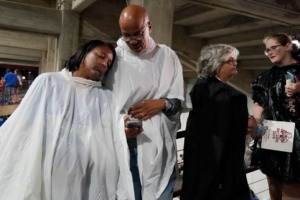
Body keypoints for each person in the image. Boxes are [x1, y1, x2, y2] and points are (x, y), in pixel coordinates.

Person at [0, 40, 119, 200]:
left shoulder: (106, 97)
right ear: (84, 54)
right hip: (47, 168)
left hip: (85, 174)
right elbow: (24, 123)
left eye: (109, 62)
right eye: (101, 56)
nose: (104, 63)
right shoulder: (48, 82)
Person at [103, 5, 185, 200]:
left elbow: (178, 101)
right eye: (127, 35)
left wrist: (162, 103)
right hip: (126, 144)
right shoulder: (114, 57)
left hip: (159, 145)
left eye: (138, 34)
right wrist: (119, 127)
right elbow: (101, 103)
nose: (133, 41)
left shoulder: (167, 56)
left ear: (149, 26)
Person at [181, 44, 251, 200]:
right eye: (230, 60)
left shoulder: (199, 89)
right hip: (223, 174)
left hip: (199, 168)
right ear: (216, 64)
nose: (235, 63)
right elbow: (230, 140)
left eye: (235, 60)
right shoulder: (230, 98)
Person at [251, 33, 300, 200]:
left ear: (287, 46)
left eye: (274, 48)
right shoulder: (263, 78)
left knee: (292, 187)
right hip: (272, 137)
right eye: (267, 50)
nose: (270, 52)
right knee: (274, 185)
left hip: (297, 141)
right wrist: (256, 129)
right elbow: (259, 106)